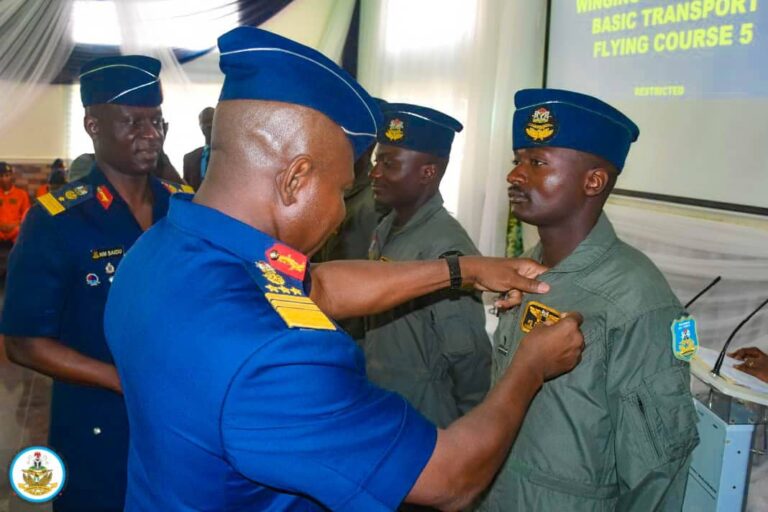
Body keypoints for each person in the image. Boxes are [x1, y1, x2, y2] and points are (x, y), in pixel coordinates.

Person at [104, 27, 585, 512]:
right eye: (339, 191)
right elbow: (450, 478)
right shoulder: (276, 355)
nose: (341, 214)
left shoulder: (159, 252)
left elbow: (321, 288)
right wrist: (530, 366)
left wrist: (464, 270)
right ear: (296, 179)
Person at [475, 89, 700, 511]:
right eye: (516, 160)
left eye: (537, 162)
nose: (515, 176)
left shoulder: (637, 301)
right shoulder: (526, 269)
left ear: (593, 181)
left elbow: (656, 474)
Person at [1, 55, 187, 512]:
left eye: (156, 121)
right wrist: (121, 379)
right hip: (98, 420)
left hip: (181, 417)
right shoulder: (58, 221)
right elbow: (23, 342)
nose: (150, 135)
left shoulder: (184, 211)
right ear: (92, 125)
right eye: (132, 122)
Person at [362, 102, 490, 429]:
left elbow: (469, 359)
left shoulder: (447, 249)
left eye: (389, 164)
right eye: (378, 161)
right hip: (385, 405)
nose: (375, 172)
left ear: (428, 172)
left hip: (425, 420)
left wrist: (471, 434)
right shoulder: (387, 228)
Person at [183, 106, 214, 190]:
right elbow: (186, 188)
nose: (209, 125)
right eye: (205, 122)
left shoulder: (228, 156)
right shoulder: (189, 158)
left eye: (212, 121)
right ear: (200, 125)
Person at [0, 162, 31, 244]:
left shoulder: (21, 194)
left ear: (12, 176)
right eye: (1, 176)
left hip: (16, 233)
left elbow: (26, 216)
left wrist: (14, 225)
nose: (4, 179)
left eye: (7, 175)